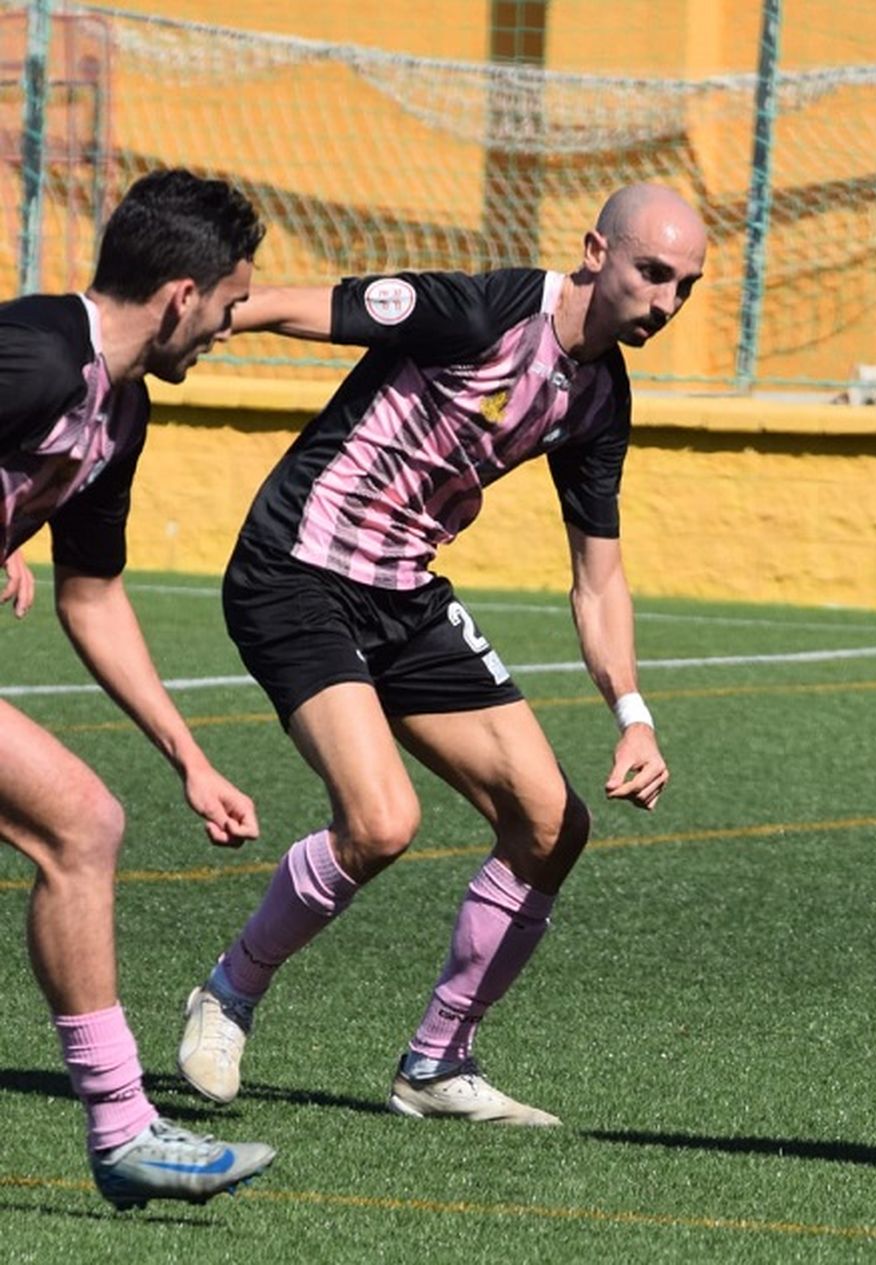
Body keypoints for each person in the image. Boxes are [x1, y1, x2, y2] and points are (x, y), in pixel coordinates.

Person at [176, 183, 707, 1126]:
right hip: (295, 571)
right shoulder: (486, 311)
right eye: (651, 274)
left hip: (403, 593)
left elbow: (600, 577)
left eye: (684, 287)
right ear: (596, 251)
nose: (664, 303)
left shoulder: (597, 397)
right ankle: (228, 992)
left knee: (552, 823)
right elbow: (323, 306)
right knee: (382, 822)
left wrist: (633, 713)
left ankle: (436, 1062)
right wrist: (180, 326)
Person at [0, 169, 277, 1209]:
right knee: (80, 823)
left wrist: (189, 754)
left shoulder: (119, 410)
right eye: (230, 303)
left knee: (82, 824)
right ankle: (123, 1128)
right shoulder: (30, 354)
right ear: (179, 297)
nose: (229, 325)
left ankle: (124, 1130)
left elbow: (95, 596)